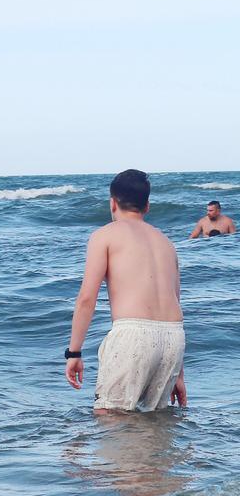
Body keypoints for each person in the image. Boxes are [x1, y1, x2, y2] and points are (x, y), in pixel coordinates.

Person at [65, 169, 186, 412]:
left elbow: (87, 299)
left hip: (133, 334)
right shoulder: (167, 243)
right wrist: (179, 374)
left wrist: (74, 352)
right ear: (147, 206)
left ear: (112, 203)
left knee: (109, 416)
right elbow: (176, 300)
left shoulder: (105, 236)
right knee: (155, 425)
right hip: (174, 337)